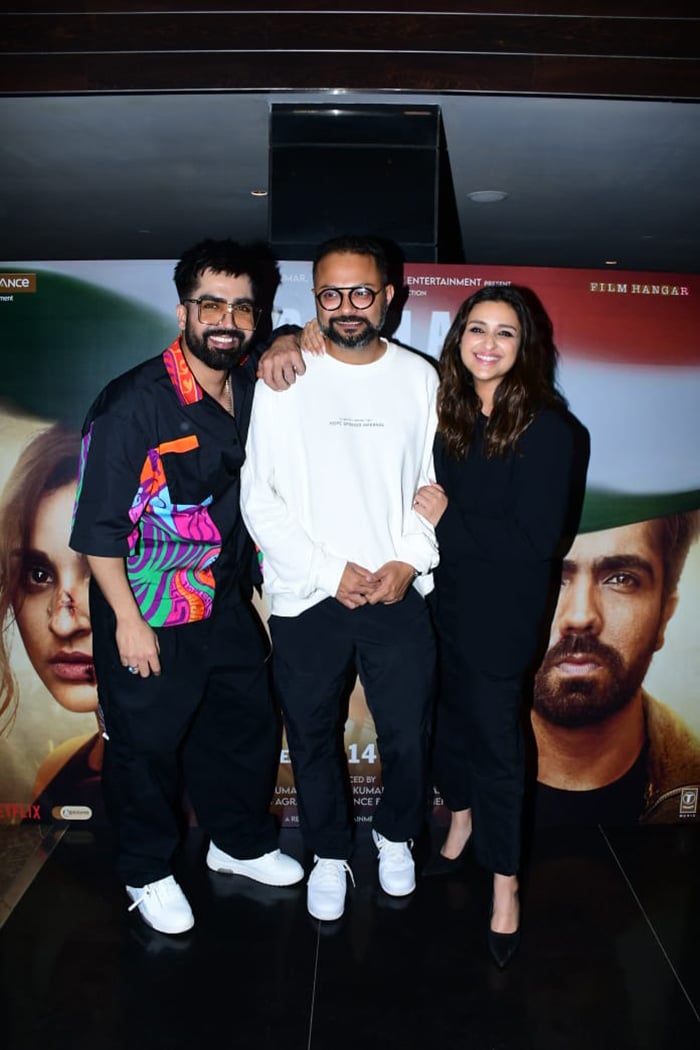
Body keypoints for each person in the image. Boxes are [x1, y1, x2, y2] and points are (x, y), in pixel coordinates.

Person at [69, 238, 304, 936]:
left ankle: (236, 844)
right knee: (145, 748)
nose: (226, 319)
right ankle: (146, 871)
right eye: (211, 305)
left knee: (244, 728)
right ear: (183, 312)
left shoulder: (257, 386)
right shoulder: (132, 405)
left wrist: (293, 335)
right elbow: (97, 531)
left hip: (224, 604)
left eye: (242, 306)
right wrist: (127, 623)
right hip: (148, 609)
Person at [240, 234, 439, 922]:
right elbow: (257, 495)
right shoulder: (284, 376)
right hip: (308, 592)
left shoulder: (420, 378)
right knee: (313, 730)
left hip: (394, 588)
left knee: (409, 733)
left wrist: (408, 560)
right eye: (331, 293)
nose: (347, 307)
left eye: (362, 292)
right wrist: (329, 571)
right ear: (314, 298)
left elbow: (430, 485)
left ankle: (393, 835)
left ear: (389, 295)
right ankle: (329, 851)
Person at [414, 284, 588, 968]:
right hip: (444, 603)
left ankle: (506, 884)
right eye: (476, 329)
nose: (488, 343)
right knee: (444, 726)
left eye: (505, 333)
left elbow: (539, 538)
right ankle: (458, 826)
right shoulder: (451, 416)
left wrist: (445, 516)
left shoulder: (551, 428)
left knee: (496, 749)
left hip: (502, 619)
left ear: (526, 346)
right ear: (457, 339)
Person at [532, 513, 700, 826]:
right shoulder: (451, 772)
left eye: (621, 579)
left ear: (665, 615)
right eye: (552, 576)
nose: (581, 616)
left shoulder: (693, 777)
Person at [0, 425, 103, 817]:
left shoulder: (245, 784)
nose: (63, 623)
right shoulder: (61, 768)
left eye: (99, 570)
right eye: (37, 574)